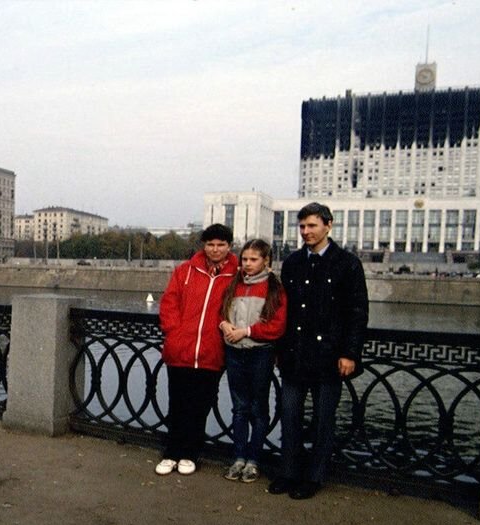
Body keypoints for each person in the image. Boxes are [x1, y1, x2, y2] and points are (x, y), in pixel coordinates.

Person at [270, 202, 368, 500]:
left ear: (328, 225)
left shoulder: (347, 263)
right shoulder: (293, 262)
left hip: (328, 357)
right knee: (289, 415)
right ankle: (288, 472)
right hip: (294, 354)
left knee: (324, 420)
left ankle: (314, 477)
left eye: (312, 226)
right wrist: (279, 347)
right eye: (302, 227)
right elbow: (282, 309)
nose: (306, 232)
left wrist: (350, 353)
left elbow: (357, 312)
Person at [156, 224, 239, 476]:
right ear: (204, 245)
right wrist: (175, 333)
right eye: (211, 244)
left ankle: (190, 453)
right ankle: (172, 452)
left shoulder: (237, 275)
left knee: (200, 405)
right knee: (177, 403)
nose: (215, 249)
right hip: (181, 349)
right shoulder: (186, 271)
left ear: (229, 247)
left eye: (221, 245)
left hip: (211, 351)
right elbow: (169, 302)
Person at [218, 239, 287, 484]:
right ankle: (238, 457)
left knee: (258, 409)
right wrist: (224, 324)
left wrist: (245, 331)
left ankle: (254, 460)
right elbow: (222, 312)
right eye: (244, 259)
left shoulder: (274, 288)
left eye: (253, 259)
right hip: (235, 352)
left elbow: (277, 326)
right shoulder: (233, 284)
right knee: (239, 408)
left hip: (260, 353)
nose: (247, 264)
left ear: (265, 261)